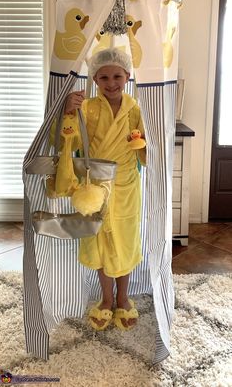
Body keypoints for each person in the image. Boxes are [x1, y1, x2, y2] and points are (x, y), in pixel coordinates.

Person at [65, 48, 146, 331]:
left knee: (123, 240)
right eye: (104, 77)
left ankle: (123, 298)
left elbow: (143, 146)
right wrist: (68, 112)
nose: (111, 83)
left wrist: (142, 143)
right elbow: (71, 143)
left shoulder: (135, 108)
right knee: (100, 242)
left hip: (125, 185)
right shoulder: (87, 107)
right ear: (96, 80)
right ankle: (106, 299)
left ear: (127, 76)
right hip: (95, 186)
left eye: (117, 76)